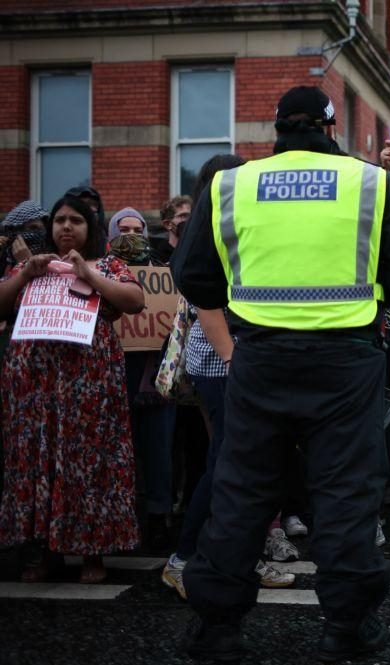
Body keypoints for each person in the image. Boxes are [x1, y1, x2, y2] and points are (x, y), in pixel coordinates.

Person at [172, 86, 390, 663]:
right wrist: (363, 294)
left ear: (277, 129)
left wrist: (249, 304)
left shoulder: (231, 185)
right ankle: (346, 626)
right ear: (331, 126)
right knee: (344, 493)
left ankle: (218, 628)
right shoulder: (372, 184)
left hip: (259, 358)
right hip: (345, 361)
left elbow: (193, 276)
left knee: (241, 492)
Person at [161, 154, 297, 599]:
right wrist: (237, 361)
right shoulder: (209, 229)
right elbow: (207, 303)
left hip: (245, 361)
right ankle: (181, 561)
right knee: (225, 463)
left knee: (248, 465)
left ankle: (240, 553)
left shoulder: (237, 223)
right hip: (223, 364)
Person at [0, 195, 145, 583]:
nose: (66, 227)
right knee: (41, 461)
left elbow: (135, 301)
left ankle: (92, 554)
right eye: (60, 220)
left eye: (76, 221)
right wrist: (24, 275)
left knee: (89, 463)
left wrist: (89, 274)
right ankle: (44, 553)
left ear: (91, 228)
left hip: (89, 385)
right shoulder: (31, 266)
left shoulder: (108, 264)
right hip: (35, 386)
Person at [108, 207, 178, 551]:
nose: (132, 236)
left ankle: (157, 518)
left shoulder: (162, 275)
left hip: (154, 379)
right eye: (124, 229)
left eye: (138, 229)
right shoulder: (101, 273)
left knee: (159, 451)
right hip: (114, 378)